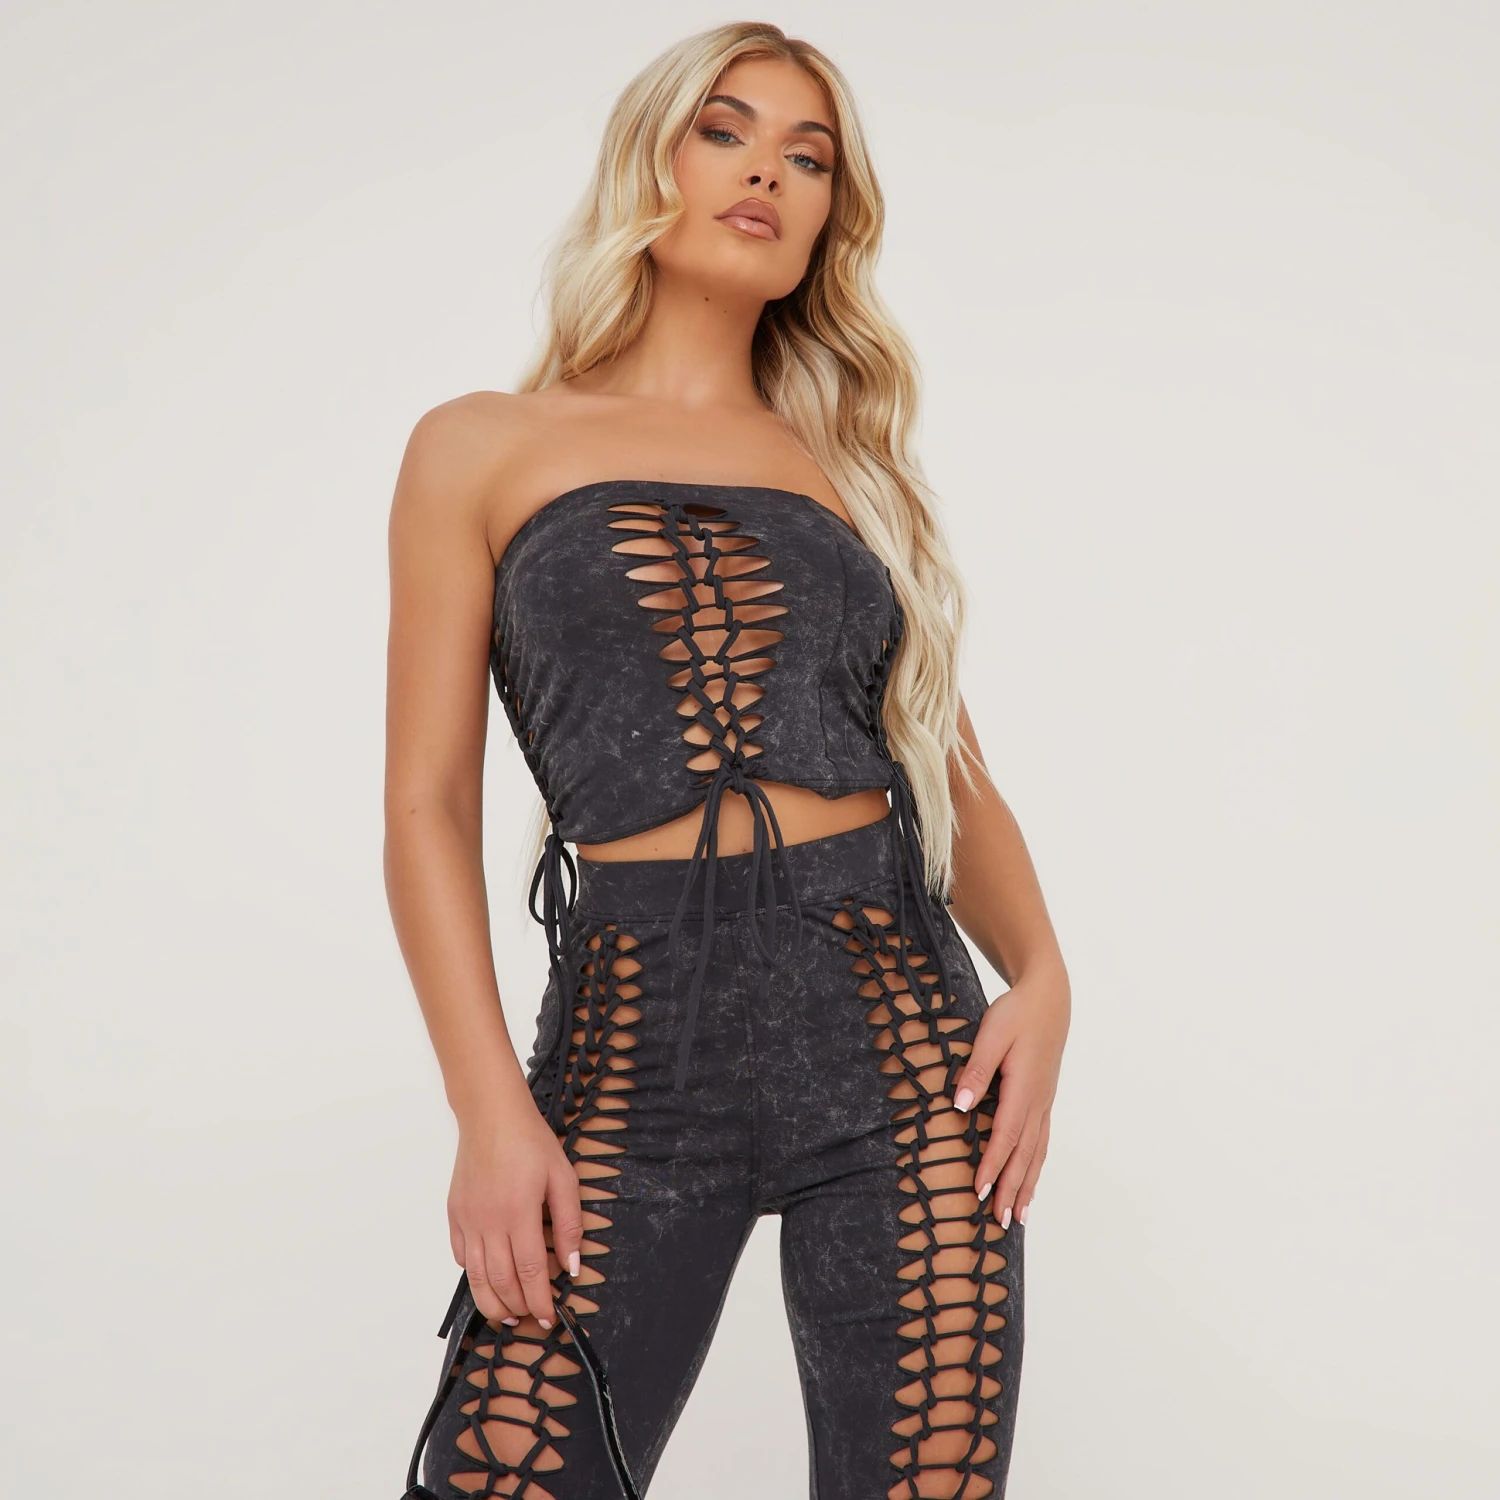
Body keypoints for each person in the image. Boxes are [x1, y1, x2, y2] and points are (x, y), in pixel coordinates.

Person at [384, 22, 1070, 1500]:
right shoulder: (478, 447)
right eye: (726, 130)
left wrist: (1045, 976)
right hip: (631, 1046)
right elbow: (426, 806)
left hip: (898, 1043)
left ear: (829, 218)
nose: (766, 170)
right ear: (652, 159)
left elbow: (947, 768)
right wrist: (489, 1110)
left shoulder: (854, 473)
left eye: (807, 157)